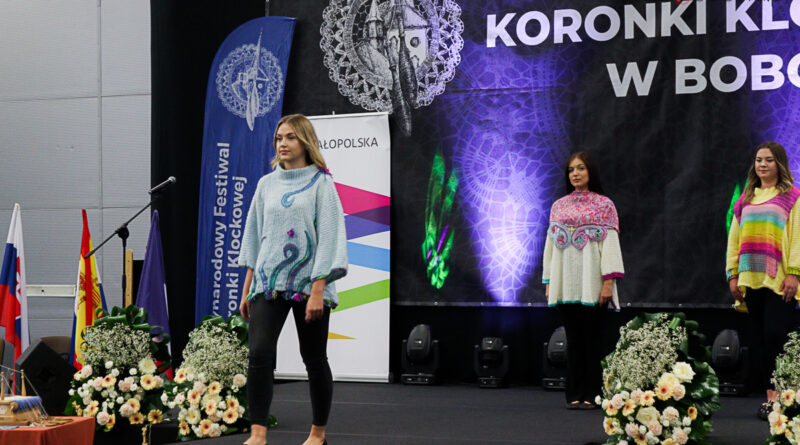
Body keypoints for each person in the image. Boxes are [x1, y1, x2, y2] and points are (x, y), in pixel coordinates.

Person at [239, 114, 348, 445]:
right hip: (268, 284)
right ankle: (258, 433)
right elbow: (255, 237)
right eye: (278, 138)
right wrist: (247, 289)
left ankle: (318, 433)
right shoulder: (266, 184)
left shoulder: (321, 183)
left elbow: (329, 238)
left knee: (313, 358)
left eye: (290, 137)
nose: (282, 143)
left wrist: (318, 290)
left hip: (309, 286)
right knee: (259, 354)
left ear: (305, 141)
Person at [542, 151, 624, 410]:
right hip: (565, 283)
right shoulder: (559, 206)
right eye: (571, 170)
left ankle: (594, 394)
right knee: (574, 339)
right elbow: (550, 246)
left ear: (590, 172)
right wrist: (549, 281)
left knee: (593, 339)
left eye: (580, 168)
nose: (575, 173)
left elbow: (610, 245)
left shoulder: (604, 205)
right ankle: (575, 394)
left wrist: (608, 282)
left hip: (593, 283)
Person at [726, 141, 800, 420]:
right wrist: (733, 275)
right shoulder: (745, 199)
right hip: (750, 279)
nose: (763, 165)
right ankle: (771, 399)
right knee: (758, 340)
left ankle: (786, 396)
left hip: (779, 280)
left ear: (779, 163)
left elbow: (798, 236)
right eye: (759, 160)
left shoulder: (791, 196)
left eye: (768, 160)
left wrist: (794, 273)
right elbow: (734, 240)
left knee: (776, 335)